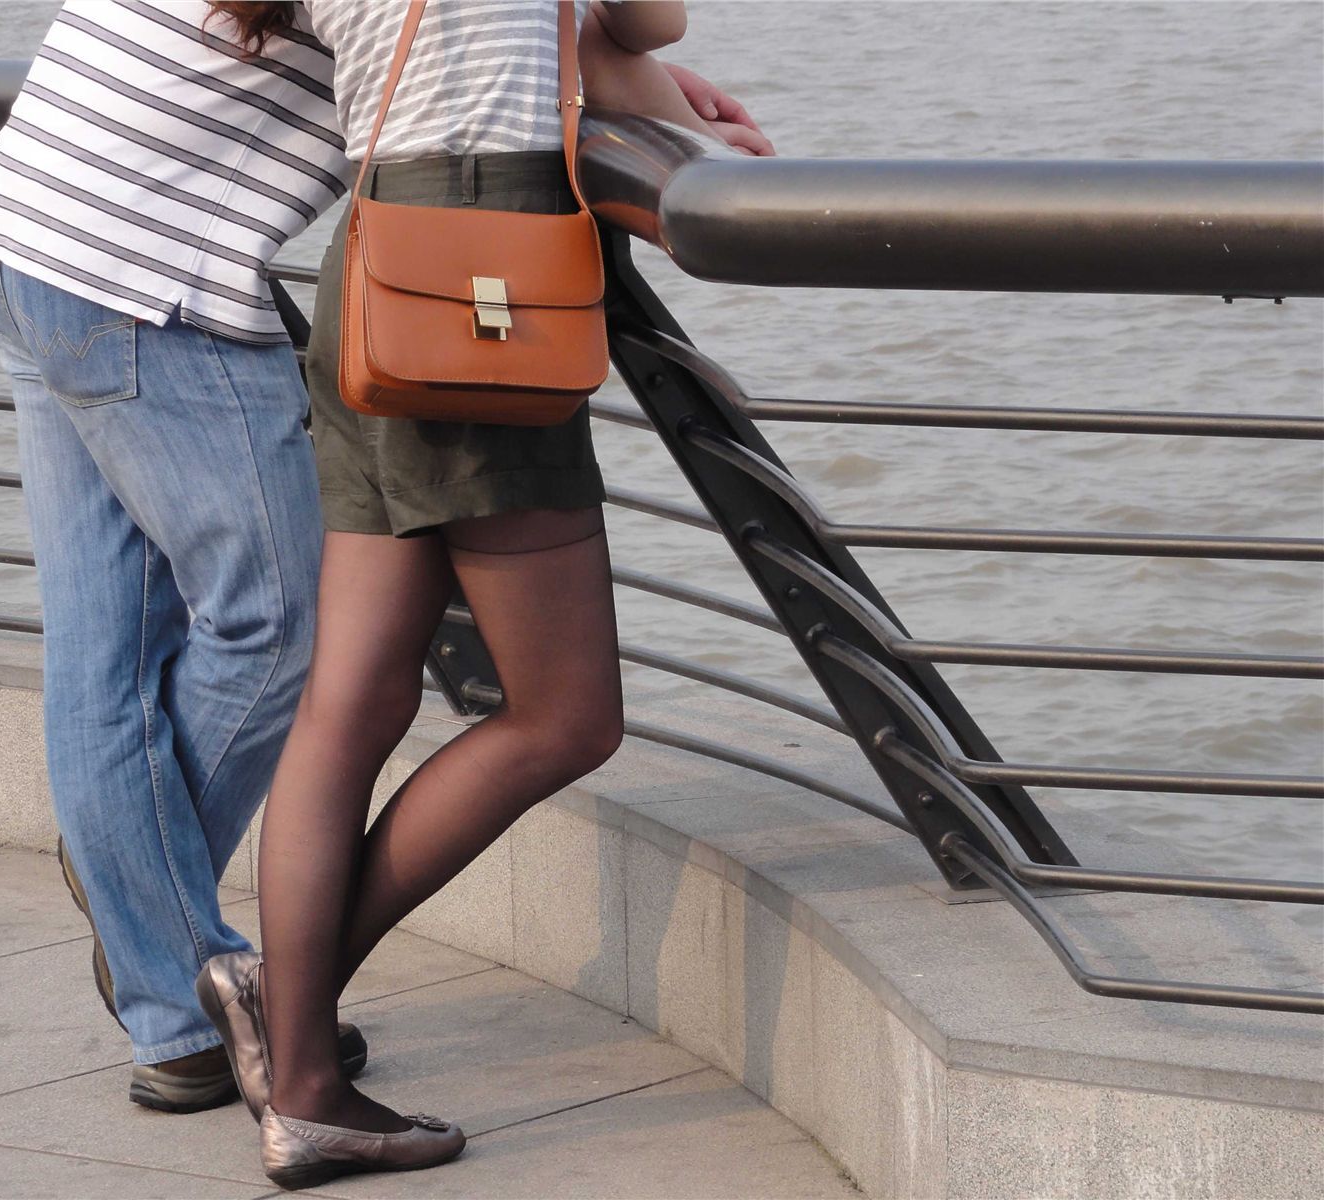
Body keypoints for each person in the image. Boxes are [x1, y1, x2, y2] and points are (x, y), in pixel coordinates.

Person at [0, 0, 761, 1117]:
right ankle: (166, 931)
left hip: (27, 238)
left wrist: (606, 63)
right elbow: (643, 24)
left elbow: (576, 43)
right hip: (152, 287)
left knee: (106, 662)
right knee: (283, 626)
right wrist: (630, 74)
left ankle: (177, 999)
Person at [197, 1, 766, 1189]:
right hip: (480, 271)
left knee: (346, 709)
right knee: (564, 717)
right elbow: (646, 22)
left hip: (375, 265)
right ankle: (293, 1046)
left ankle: (292, 1046)